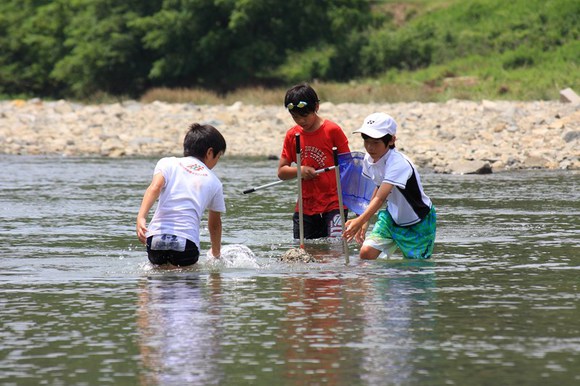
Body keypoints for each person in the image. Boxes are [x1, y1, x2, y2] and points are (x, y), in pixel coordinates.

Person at [343, 112, 436, 259]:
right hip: (392, 217)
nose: (370, 147)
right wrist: (364, 220)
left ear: (392, 140)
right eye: (366, 141)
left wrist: (359, 220)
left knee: (416, 270)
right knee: (366, 253)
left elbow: (380, 198)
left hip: (419, 222)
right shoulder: (369, 159)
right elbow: (378, 187)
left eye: (375, 143)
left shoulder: (398, 164)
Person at [136, 123, 227, 267]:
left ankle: (144, 290)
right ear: (210, 152)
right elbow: (215, 225)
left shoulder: (167, 163)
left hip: (155, 239)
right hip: (186, 242)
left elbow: (155, 187)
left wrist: (141, 217)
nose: (217, 162)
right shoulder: (214, 181)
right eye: (218, 157)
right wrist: (216, 253)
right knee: (186, 280)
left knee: (157, 278)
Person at [278, 83, 351, 239]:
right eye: (295, 117)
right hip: (305, 206)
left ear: (316, 107)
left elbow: (349, 165)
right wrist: (300, 171)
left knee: (335, 250)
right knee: (304, 252)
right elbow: (282, 172)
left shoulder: (332, 130)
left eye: (304, 116)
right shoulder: (292, 135)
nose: (301, 121)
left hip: (334, 203)